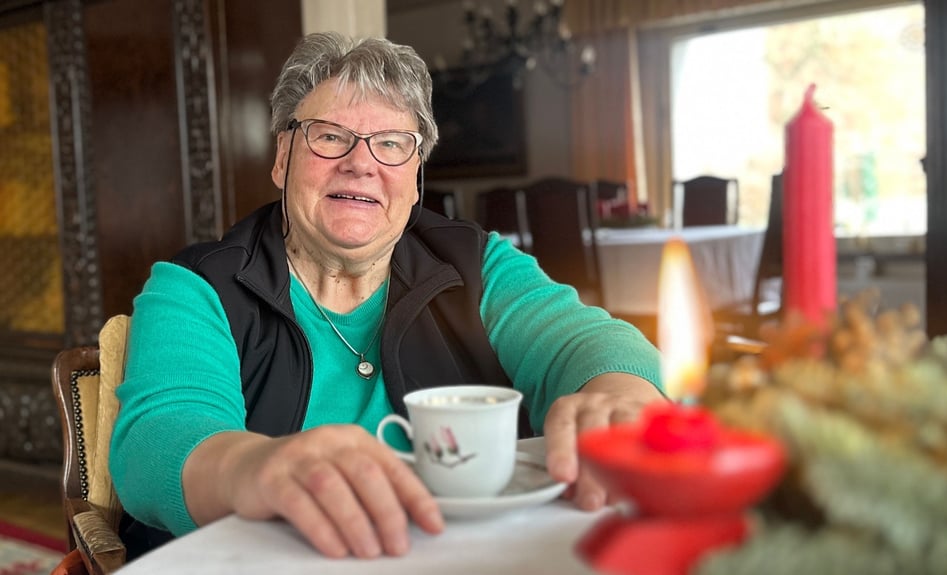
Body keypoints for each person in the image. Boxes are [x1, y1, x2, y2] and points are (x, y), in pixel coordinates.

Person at [109, 32, 665, 560]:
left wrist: (618, 392)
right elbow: (159, 438)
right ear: (283, 158)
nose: (361, 162)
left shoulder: (476, 264)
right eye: (329, 136)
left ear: (416, 175)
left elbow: (587, 341)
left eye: (393, 143)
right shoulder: (197, 285)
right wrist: (255, 467)